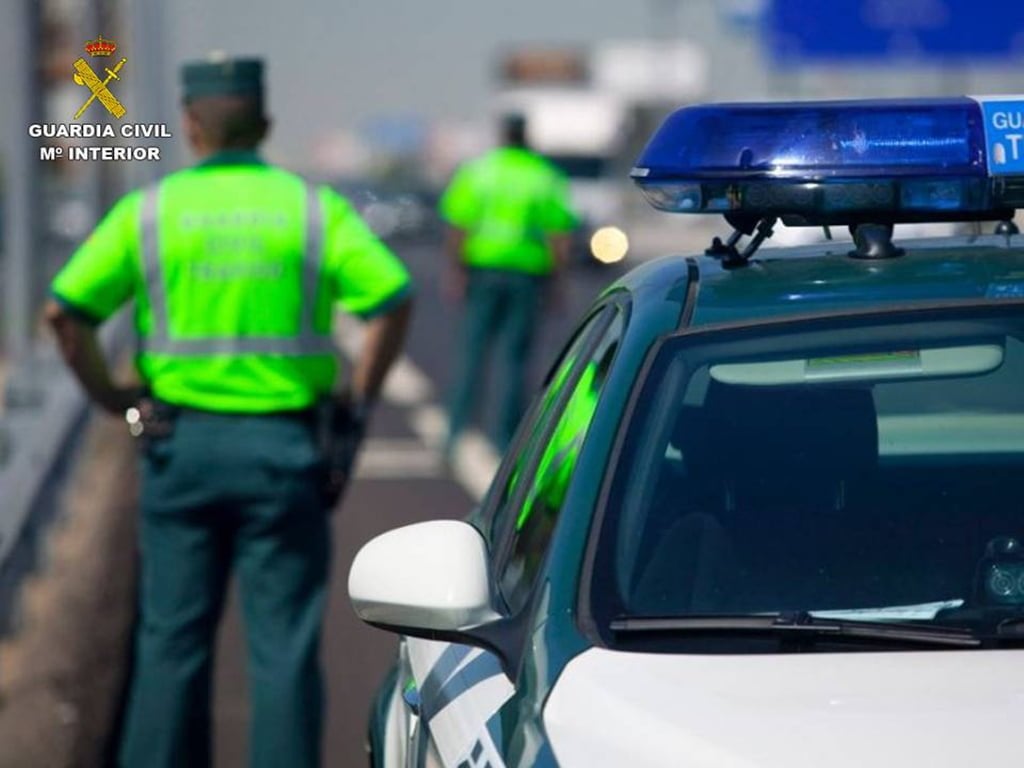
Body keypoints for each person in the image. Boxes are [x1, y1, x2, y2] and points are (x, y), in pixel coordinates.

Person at [45, 55, 412, 768]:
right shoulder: (311, 210)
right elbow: (392, 299)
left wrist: (110, 397)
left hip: (178, 447)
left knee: (170, 642)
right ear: (265, 124)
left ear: (190, 125)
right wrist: (360, 398)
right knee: (283, 648)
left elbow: (66, 314)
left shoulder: (151, 212)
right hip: (284, 451)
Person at [438, 114, 577, 454]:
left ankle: (454, 432)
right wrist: (557, 283)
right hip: (526, 274)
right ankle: (505, 439)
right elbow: (558, 234)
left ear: (502, 135)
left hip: (482, 269)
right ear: (526, 136)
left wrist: (455, 271)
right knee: (514, 359)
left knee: (472, 352)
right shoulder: (543, 175)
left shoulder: (478, 171)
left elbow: (458, 225)